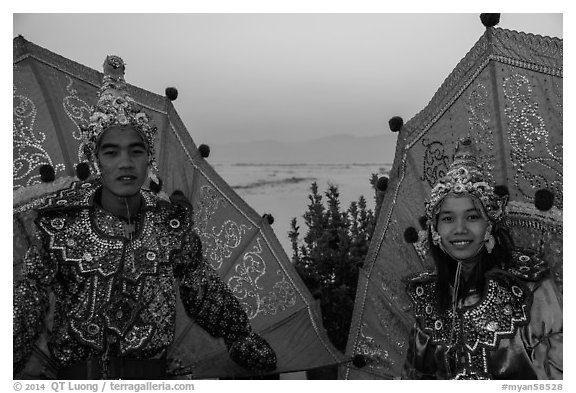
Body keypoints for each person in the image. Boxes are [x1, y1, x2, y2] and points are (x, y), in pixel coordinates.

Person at [13, 55, 277, 379]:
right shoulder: (59, 226)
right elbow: (26, 306)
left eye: (135, 151)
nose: (125, 163)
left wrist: (241, 336)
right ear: (95, 159)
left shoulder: (170, 224)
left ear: (148, 158)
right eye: (111, 152)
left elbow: (202, 288)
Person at [401, 137, 562, 380]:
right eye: (447, 219)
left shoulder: (533, 288)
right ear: (434, 230)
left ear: (490, 223)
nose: (459, 229)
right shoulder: (429, 298)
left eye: (472, 217)